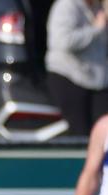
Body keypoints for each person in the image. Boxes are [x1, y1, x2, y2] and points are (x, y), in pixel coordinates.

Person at [46, 0, 108, 136]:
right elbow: (62, 42)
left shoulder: (99, 8)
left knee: (103, 132)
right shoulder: (67, 5)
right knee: (81, 134)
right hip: (69, 77)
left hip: (98, 80)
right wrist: (96, 29)